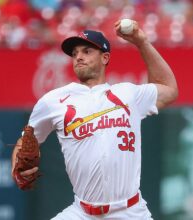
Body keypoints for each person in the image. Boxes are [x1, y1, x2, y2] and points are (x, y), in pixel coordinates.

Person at [11, 20, 178, 219]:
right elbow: (27, 139)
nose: (78, 57)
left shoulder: (128, 94)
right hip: (81, 212)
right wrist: (17, 170)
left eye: (87, 51)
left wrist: (142, 43)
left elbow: (168, 89)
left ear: (105, 57)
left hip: (130, 212)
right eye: (74, 54)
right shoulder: (53, 101)